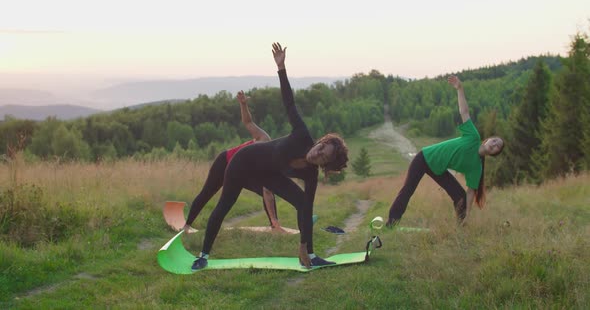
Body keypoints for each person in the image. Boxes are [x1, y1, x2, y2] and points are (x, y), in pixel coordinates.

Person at [191, 42, 349, 270]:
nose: (318, 154)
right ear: (320, 141)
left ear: (324, 165)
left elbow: (307, 210)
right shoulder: (302, 135)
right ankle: (203, 255)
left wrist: (303, 243)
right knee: (225, 204)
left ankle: (310, 255)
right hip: (244, 162)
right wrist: (281, 68)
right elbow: (289, 102)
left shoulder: (310, 174)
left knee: (303, 204)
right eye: (321, 148)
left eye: (323, 158)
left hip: (267, 175)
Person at [387, 75, 504, 227]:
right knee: (408, 190)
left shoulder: (477, 167)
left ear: (493, 154)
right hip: (425, 157)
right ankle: (391, 223)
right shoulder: (473, 136)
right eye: (494, 141)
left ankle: (461, 228)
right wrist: (460, 89)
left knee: (460, 196)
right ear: (486, 140)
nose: (494, 145)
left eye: (497, 147)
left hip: (439, 169)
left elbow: (470, 192)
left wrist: (467, 214)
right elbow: (464, 111)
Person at [182, 90, 285, 233]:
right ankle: (186, 225)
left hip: (240, 174)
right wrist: (243, 104)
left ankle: (275, 227)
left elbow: (268, 191)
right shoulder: (263, 138)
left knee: (265, 191)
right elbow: (248, 122)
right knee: (208, 192)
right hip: (225, 161)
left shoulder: (271, 164)